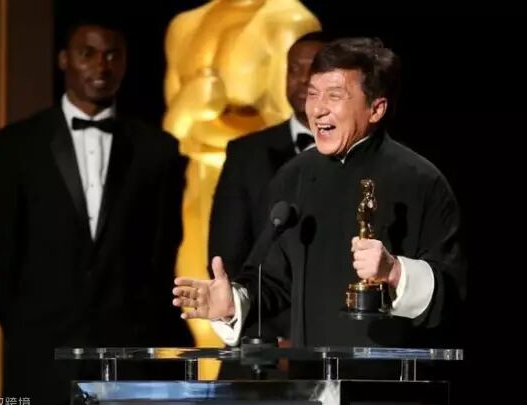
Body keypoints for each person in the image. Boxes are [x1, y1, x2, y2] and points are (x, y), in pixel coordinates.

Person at [173, 37, 466, 377]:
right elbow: (273, 281)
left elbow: (453, 294)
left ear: (376, 109)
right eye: (313, 94)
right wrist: (231, 305)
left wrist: (396, 272)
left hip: (390, 389)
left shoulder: (422, 181)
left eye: (334, 96)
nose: (317, 109)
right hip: (311, 388)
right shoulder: (292, 178)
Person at [0, 18, 192, 405]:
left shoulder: (157, 150)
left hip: (128, 365)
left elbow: (162, 252)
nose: (101, 65)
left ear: (125, 62)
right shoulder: (19, 144)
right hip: (41, 363)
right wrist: (28, 329)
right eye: (88, 54)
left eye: (112, 55)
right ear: (64, 59)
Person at [208, 31, 330, 344]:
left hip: (339, 342)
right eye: (294, 69)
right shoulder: (246, 154)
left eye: (314, 69)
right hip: (261, 343)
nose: (302, 79)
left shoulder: (364, 156)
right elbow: (228, 256)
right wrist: (274, 336)